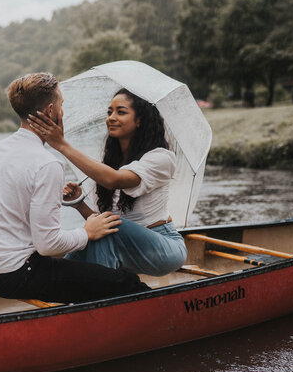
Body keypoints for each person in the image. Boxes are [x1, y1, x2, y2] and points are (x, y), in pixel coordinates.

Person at [0, 74, 150, 304]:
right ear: (49, 111)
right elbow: (48, 245)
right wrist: (88, 232)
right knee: (126, 282)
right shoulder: (47, 163)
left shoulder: (0, 148)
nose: (63, 112)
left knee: (84, 274)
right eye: (61, 105)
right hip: (17, 272)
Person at [28, 87, 187, 277]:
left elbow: (115, 180)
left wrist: (61, 145)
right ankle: (61, 286)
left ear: (140, 120)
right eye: (109, 112)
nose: (111, 117)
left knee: (111, 227)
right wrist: (80, 205)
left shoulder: (162, 158)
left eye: (121, 112)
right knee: (97, 233)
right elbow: (102, 220)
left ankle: (101, 293)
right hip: (123, 245)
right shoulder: (110, 164)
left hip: (163, 248)